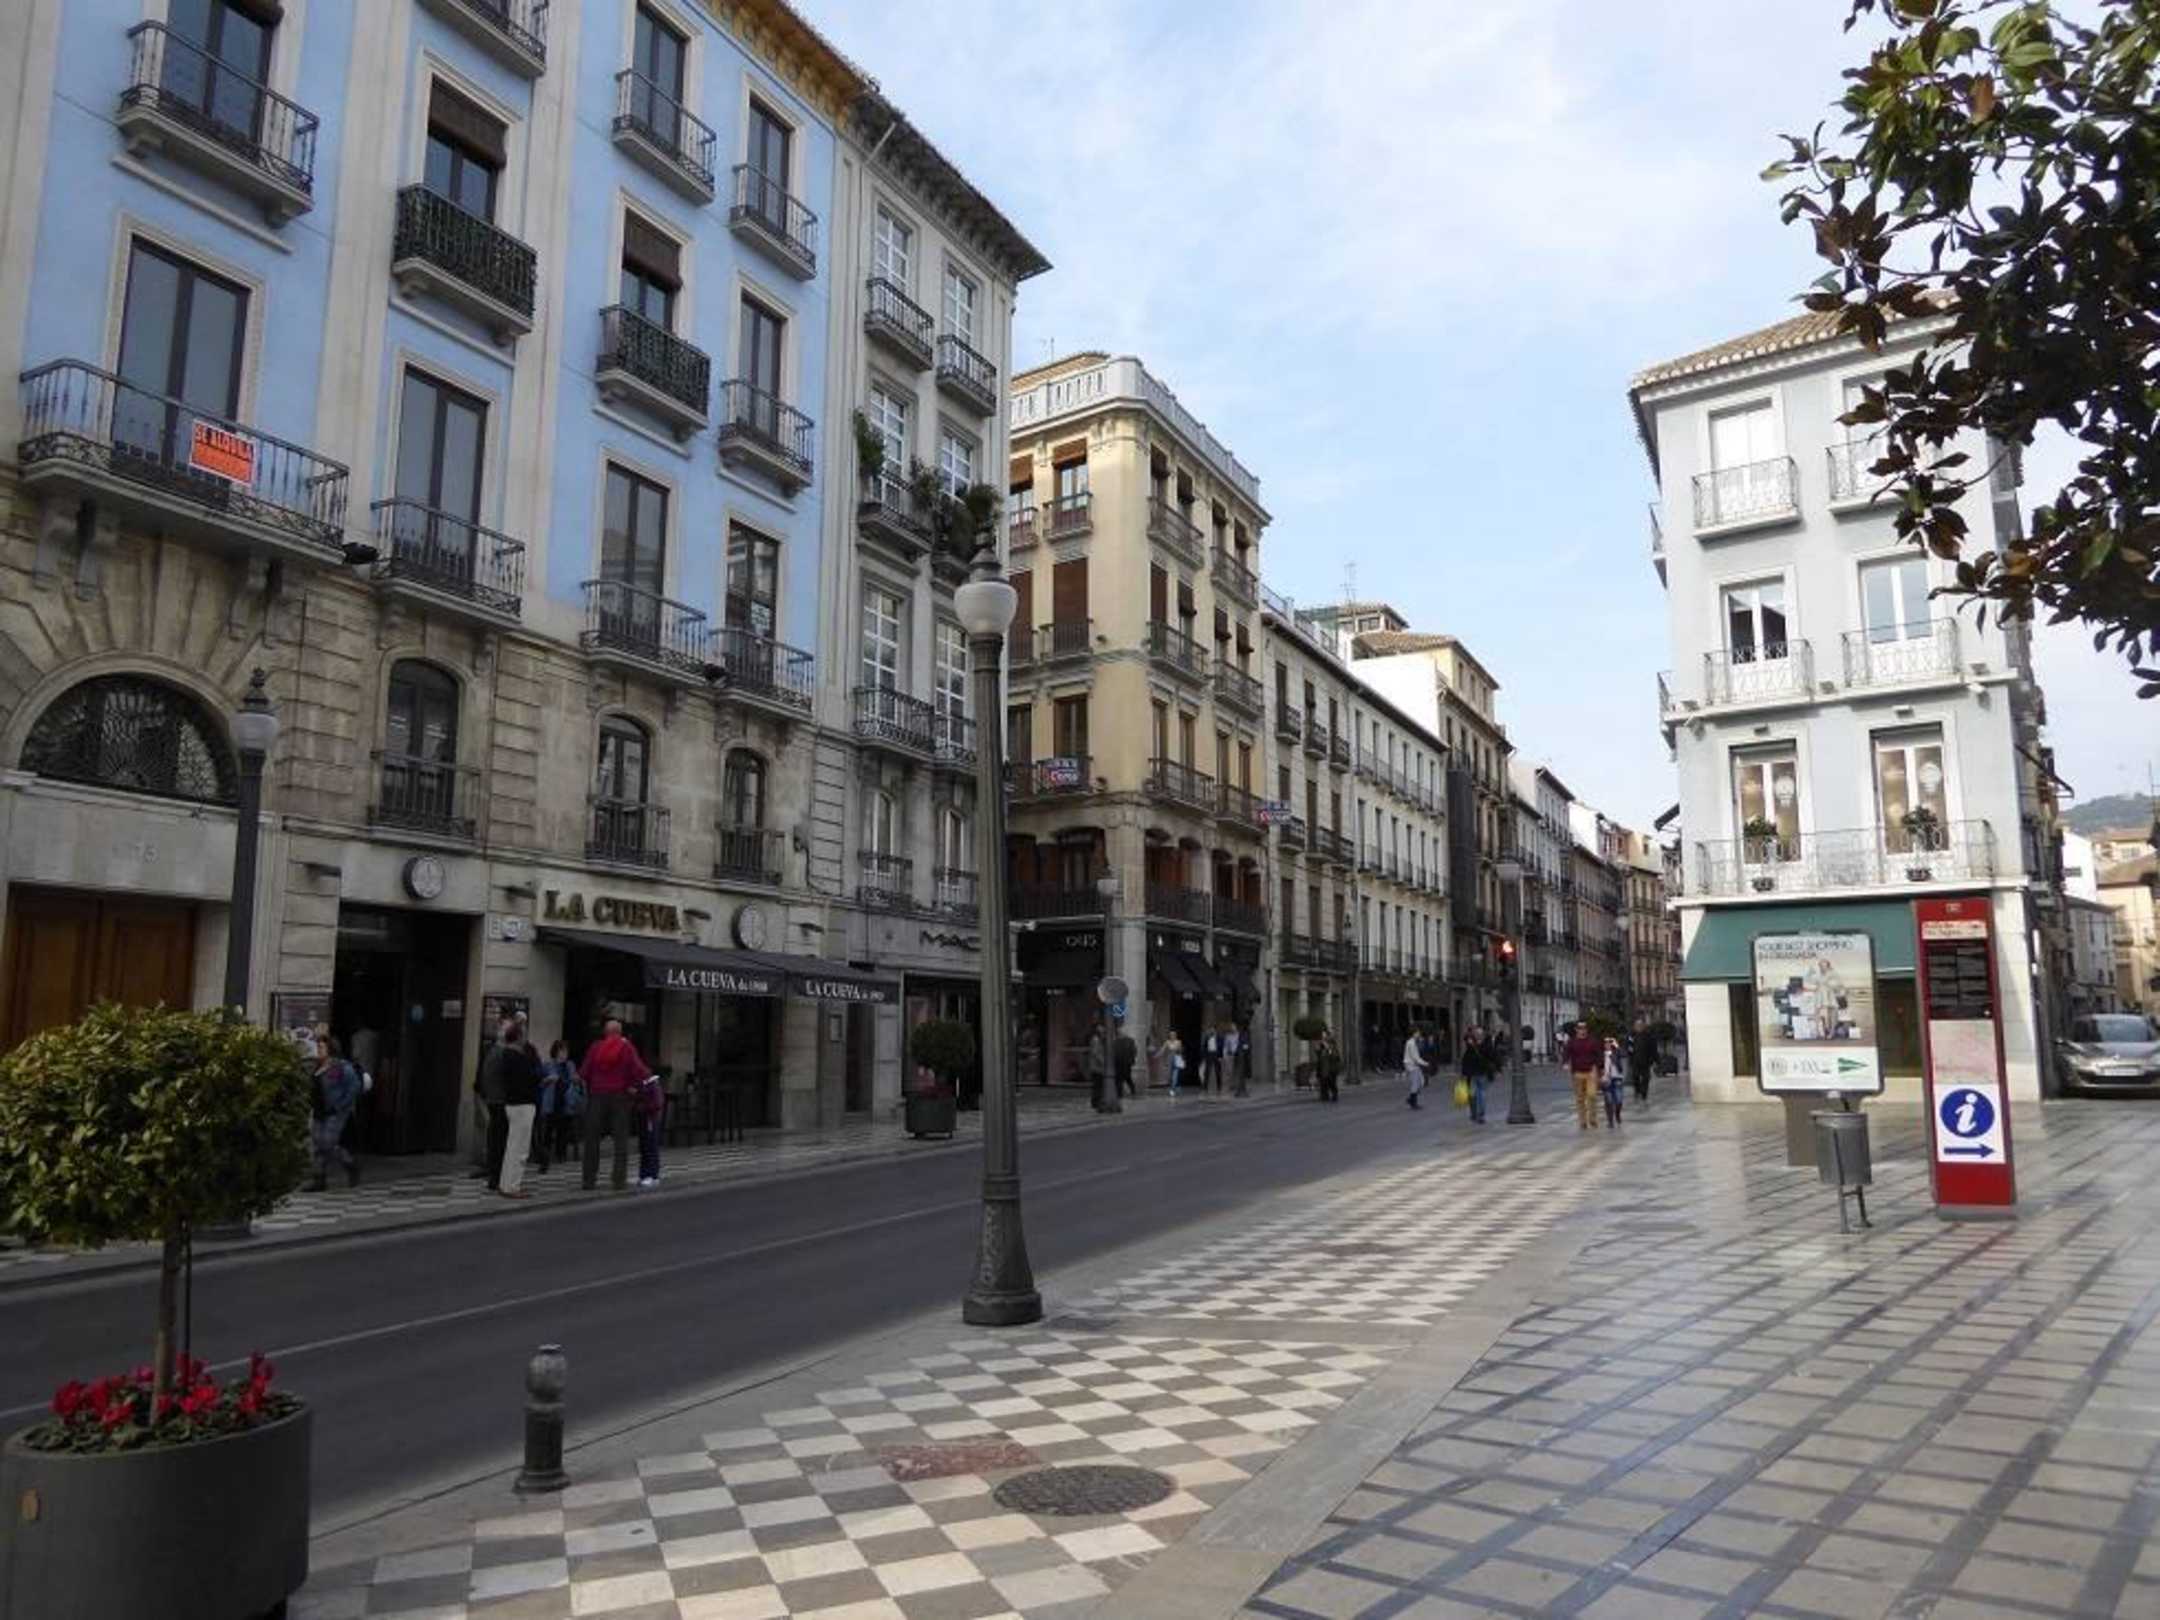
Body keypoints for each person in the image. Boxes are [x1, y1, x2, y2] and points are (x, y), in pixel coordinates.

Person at [580, 1018, 648, 1191]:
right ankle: (618, 1180)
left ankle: (589, 1180)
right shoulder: (627, 1048)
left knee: (592, 1140)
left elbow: (584, 1072)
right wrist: (636, 1086)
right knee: (620, 1140)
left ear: (605, 1032)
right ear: (620, 1032)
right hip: (619, 1098)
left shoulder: (596, 1047)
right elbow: (639, 1070)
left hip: (597, 1097)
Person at [309, 1036, 364, 1191]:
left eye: (321, 1047)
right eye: (318, 1047)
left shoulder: (340, 1067)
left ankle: (350, 1164)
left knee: (328, 1143)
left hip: (334, 1111)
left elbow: (354, 1086)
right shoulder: (317, 1066)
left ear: (330, 1049)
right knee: (318, 1145)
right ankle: (319, 1179)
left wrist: (341, 1105)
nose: (318, 1050)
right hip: (319, 1110)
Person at [496, 1022, 541, 1199]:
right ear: (519, 1037)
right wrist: (541, 1080)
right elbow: (528, 1079)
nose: (526, 1038)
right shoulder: (517, 1057)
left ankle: (505, 1184)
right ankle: (513, 1186)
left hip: (512, 1103)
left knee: (512, 1147)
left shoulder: (506, 1055)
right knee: (520, 1149)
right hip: (522, 1104)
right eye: (524, 1034)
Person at [476, 1019, 511, 1191]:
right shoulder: (500, 1052)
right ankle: (496, 1176)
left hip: (494, 1099)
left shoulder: (493, 1051)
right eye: (506, 1029)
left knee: (496, 1138)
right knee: (499, 1140)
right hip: (499, 1101)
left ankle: (494, 1175)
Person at [1562, 1021, 1604, 1131]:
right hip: (1577, 1072)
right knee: (1580, 1098)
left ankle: (1592, 1119)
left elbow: (1599, 1054)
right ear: (1576, 1030)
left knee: (1592, 1095)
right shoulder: (1572, 1042)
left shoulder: (1593, 1041)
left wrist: (1600, 1068)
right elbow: (1566, 1053)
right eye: (1580, 1028)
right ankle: (1582, 1121)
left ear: (1587, 1029)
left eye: (1584, 1028)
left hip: (1591, 1071)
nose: (1582, 1030)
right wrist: (1565, 1063)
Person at [633, 1068, 666, 1188]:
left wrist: (642, 1106)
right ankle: (644, 1174)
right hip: (645, 1119)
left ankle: (652, 1175)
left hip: (650, 1119)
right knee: (645, 1147)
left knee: (650, 1146)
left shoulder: (652, 1085)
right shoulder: (645, 1085)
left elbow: (657, 1103)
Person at [1461, 1027, 1491, 1124]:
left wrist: (1464, 1073)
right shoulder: (1486, 1045)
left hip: (1472, 1073)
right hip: (1481, 1072)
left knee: (1474, 1093)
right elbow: (1491, 1057)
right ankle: (1480, 1114)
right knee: (1481, 1093)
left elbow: (1465, 1060)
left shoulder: (1471, 1047)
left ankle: (1475, 1113)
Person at [1628, 1016, 1659, 1106]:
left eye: (1640, 1025)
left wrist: (1656, 1060)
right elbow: (1629, 1047)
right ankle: (1637, 1090)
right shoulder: (1631, 1036)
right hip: (1635, 1061)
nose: (1639, 1027)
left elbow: (1653, 1049)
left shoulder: (1649, 1036)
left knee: (1646, 1078)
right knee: (1635, 1077)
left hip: (1646, 1061)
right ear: (1634, 1026)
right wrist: (1630, 1057)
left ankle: (1644, 1093)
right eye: (1637, 1025)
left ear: (1644, 1026)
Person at [1601, 1036, 1626, 1128]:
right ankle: (1610, 1121)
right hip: (1606, 1079)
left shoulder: (1616, 1053)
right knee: (1609, 1101)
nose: (1607, 1044)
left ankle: (1617, 1114)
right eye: (1606, 1043)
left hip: (1617, 1078)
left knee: (1619, 1100)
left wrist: (1617, 1046)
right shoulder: (1601, 1054)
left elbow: (1624, 1054)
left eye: (1609, 1042)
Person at [1314, 1028, 1342, 1103]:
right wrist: (1317, 1048)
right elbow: (1318, 1054)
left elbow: (1334, 1055)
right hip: (1323, 1068)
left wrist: (1328, 1048)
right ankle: (1324, 1095)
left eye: (1324, 1035)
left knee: (1332, 1082)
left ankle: (1334, 1095)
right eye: (1322, 1035)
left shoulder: (1332, 1044)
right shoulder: (1321, 1044)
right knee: (1323, 1082)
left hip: (1331, 1068)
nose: (1323, 1037)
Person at [1402, 1025, 1426, 1108]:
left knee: (1421, 1082)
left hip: (1413, 1065)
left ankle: (1411, 1099)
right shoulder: (1411, 1043)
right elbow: (1415, 1057)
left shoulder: (1413, 1042)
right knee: (1416, 1083)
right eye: (1418, 1032)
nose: (1419, 1034)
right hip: (1412, 1065)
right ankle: (1413, 1103)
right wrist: (1425, 1063)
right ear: (1414, 1033)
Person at [1111, 1027, 1138, 1104]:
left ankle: (1131, 1091)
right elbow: (1114, 1052)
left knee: (1126, 1077)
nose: (1120, 1033)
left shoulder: (1130, 1041)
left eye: (1121, 1032)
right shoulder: (1115, 1041)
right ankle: (1119, 1093)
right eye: (1119, 1032)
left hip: (1126, 1063)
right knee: (1119, 1078)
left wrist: (1131, 1059)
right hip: (1118, 1063)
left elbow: (1134, 1051)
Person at [1085, 1020, 1108, 1103]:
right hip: (1096, 1067)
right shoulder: (1096, 1040)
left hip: (1097, 1067)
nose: (1103, 1031)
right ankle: (1096, 1101)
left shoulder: (1098, 1040)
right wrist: (1103, 1061)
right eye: (1102, 1030)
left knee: (1098, 1085)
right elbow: (1096, 1053)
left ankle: (1096, 1100)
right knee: (1097, 1085)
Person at [1165, 1030, 1186, 1095]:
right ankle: (1172, 1087)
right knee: (1169, 1076)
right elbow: (1162, 1050)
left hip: (1176, 1059)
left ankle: (1172, 1089)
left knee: (1175, 1076)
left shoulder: (1178, 1042)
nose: (1172, 1036)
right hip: (1169, 1059)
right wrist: (1156, 1055)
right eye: (1171, 1035)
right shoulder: (1167, 1042)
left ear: (1176, 1035)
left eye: (1174, 1035)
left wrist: (1183, 1060)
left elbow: (1180, 1051)